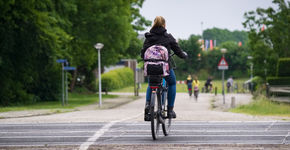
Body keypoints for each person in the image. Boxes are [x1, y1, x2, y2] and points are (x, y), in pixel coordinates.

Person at [141, 16, 187, 120]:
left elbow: (142, 53)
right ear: (164, 25)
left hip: (151, 68)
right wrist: (184, 55)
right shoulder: (168, 37)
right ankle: (170, 110)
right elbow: (178, 51)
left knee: (151, 84)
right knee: (172, 83)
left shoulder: (148, 37)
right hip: (164, 68)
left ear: (154, 24)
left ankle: (148, 106)